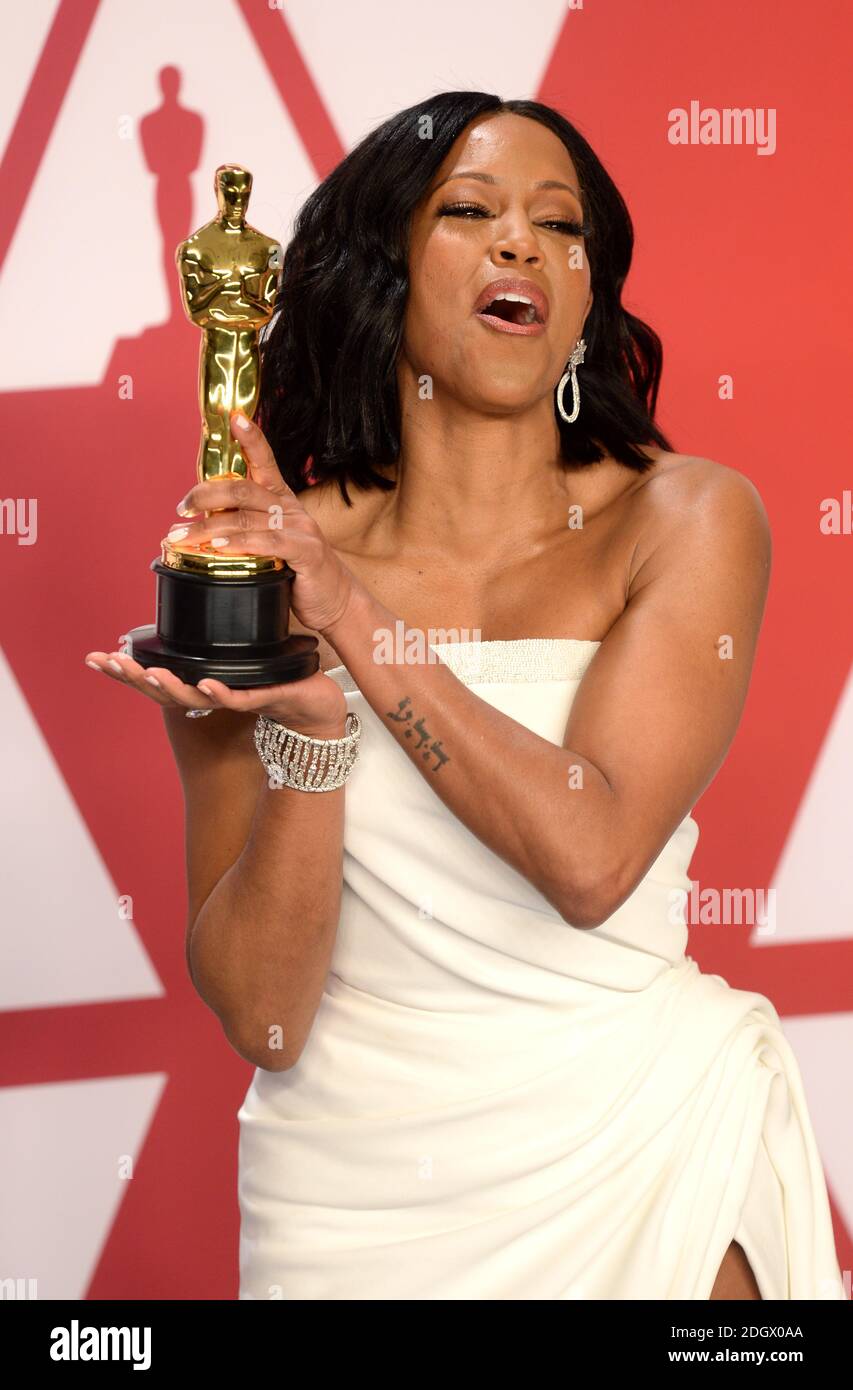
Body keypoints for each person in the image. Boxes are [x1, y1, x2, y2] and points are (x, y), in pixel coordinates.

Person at [86, 92, 844, 1300]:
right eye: (471, 211)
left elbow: (590, 859)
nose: (522, 245)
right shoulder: (265, 564)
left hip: (648, 1149)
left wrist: (346, 617)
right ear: (385, 270)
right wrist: (316, 732)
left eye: (561, 226)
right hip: (353, 1199)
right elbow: (269, 1019)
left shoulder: (688, 519)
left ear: (587, 301)